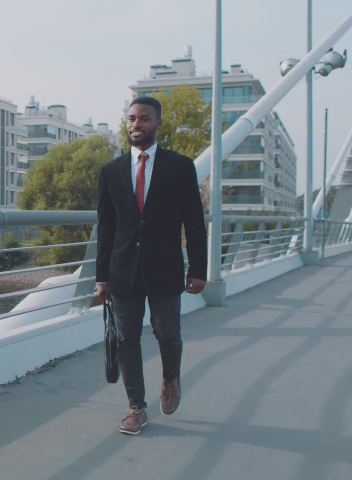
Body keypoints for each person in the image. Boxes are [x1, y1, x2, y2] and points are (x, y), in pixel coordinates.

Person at [95, 96, 207, 435]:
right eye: (131, 118)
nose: (136, 124)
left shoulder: (180, 167)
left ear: (157, 124)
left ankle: (170, 379)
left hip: (166, 268)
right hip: (123, 271)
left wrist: (198, 269)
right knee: (127, 339)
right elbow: (106, 228)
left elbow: (194, 221)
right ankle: (136, 407)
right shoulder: (110, 171)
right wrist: (102, 277)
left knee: (167, 333)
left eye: (144, 118)